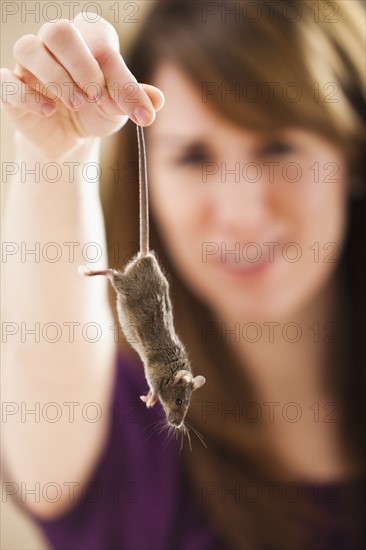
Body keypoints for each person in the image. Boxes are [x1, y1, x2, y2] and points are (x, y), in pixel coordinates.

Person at [2, 1, 365, 548]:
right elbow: (45, 350)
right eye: (194, 157)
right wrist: (57, 155)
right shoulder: (109, 425)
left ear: (352, 155)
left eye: (279, 146)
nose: (243, 212)